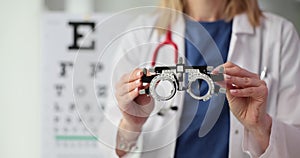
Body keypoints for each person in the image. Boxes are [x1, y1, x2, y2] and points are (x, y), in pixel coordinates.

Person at [98, 0, 300, 157]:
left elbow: (295, 149)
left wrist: (260, 126)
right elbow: (109, 148)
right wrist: (131, 124)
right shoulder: (141, 34)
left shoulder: (279, 34)